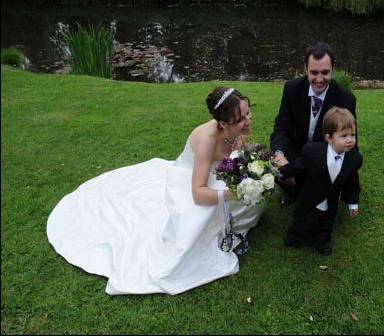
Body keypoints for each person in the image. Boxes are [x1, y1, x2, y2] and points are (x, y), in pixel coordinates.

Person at [47, 87, 264, 295]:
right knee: (198, 220)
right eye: (242, 119)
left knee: (250, 200)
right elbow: (197, 193)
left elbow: (239, 155)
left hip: (217, 176)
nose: (249, 120)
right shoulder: (208, 140)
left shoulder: (240, 131)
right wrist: (232, 193)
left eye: (248, 112)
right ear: (224, 123)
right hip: (190, 183)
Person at [270, 41, 357, 206]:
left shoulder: (345, 99)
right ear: (305, 69)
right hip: (295, 152)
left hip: (324, 156)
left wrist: (343, 184)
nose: (319, 79)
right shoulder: (291, 88)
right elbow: (282, 127)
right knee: (277, 162)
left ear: (332, 69)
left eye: (325, 72)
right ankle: (291, 191)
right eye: (314, 72)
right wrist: (280, 155)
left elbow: (350, 144)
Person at [277, 107, 362, 255]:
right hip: (310, 196)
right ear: (329, 138)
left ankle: (322, 241)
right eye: (344, 136)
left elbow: (352, 182)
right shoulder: (313, 151)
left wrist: (353, 203)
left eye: (353, 135)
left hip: (331, 200)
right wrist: (282, 173)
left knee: (326, 223)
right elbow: (299, 165)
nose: (350, 140)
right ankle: (295, 236)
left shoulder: (354, 159)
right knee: (303, 220)